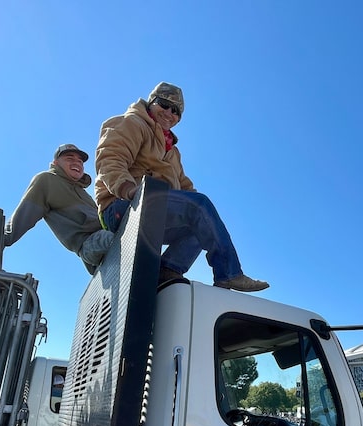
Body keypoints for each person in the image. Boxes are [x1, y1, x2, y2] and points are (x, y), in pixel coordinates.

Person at [94, 82, 268, 292]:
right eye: (164, 105)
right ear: (151, 102)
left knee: (202, 223)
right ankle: (230, 273)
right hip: (121, 205)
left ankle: (168, 269)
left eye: (175, 111)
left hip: (152, 205)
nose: (169, 113)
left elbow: (186, 189)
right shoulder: (132, 123)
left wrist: (205, 215)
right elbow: (110, 158)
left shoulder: (172, 152)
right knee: (200, 209)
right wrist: (130, 189)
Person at [1, 144, 114, 274]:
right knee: (118, 238)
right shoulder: (46, 180)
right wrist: (3, 237)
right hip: (89, 243)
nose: (76, 163)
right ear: (56, 163)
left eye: (80, 161)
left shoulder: (82, 192)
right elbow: (26, 211)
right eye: (69, 159)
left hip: (105, 234)